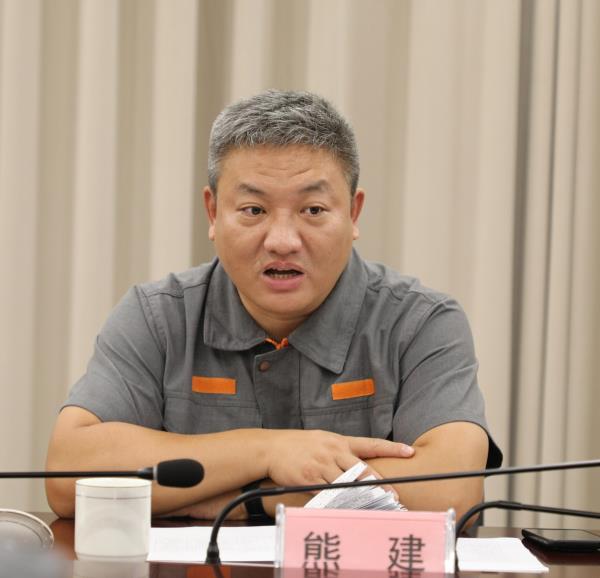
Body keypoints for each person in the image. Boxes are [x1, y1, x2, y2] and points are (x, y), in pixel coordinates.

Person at [46, 90, 501, 521]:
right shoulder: (158, 316)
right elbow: (68, 476)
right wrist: (269, 451)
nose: (282, 241)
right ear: (212, 213)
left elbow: (450, 492)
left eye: (313, 210)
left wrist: (249, 500)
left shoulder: (420, 322)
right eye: (254, 210)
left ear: (353, 213)